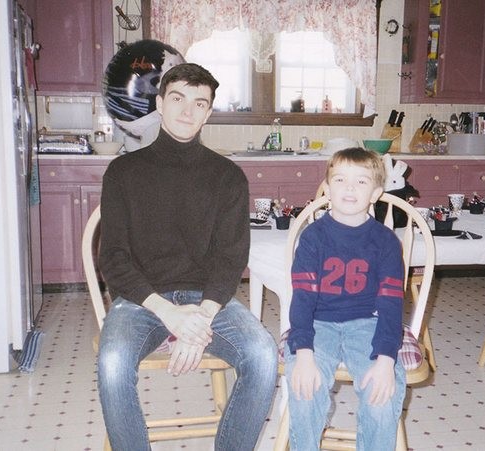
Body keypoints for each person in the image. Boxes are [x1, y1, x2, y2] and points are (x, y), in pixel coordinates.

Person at [97, 62, 278, 451]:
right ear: (160, 104)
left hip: (208, 299)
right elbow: (113, 258)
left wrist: (201, 319)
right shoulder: (123, 172)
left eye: (199, 103)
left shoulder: (228, 176)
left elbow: (230, 258)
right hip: (141, 300)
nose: (187, 111)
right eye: (178, 98)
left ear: (208, 112)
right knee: (112, 364)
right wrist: (171, 314)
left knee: (264, 355)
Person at [284, 148, 407, 450]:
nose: (350, 188)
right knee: (305, 391)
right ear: (327, 189)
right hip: (316, 324)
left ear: (376, 193)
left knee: (382, 397)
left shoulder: (386, 241)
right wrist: (304, 355)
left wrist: (386, 360)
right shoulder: (313, 237)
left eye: (361, 181)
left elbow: (391, 305)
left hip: (369, 324)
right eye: (340, 179)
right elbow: (302, 300)